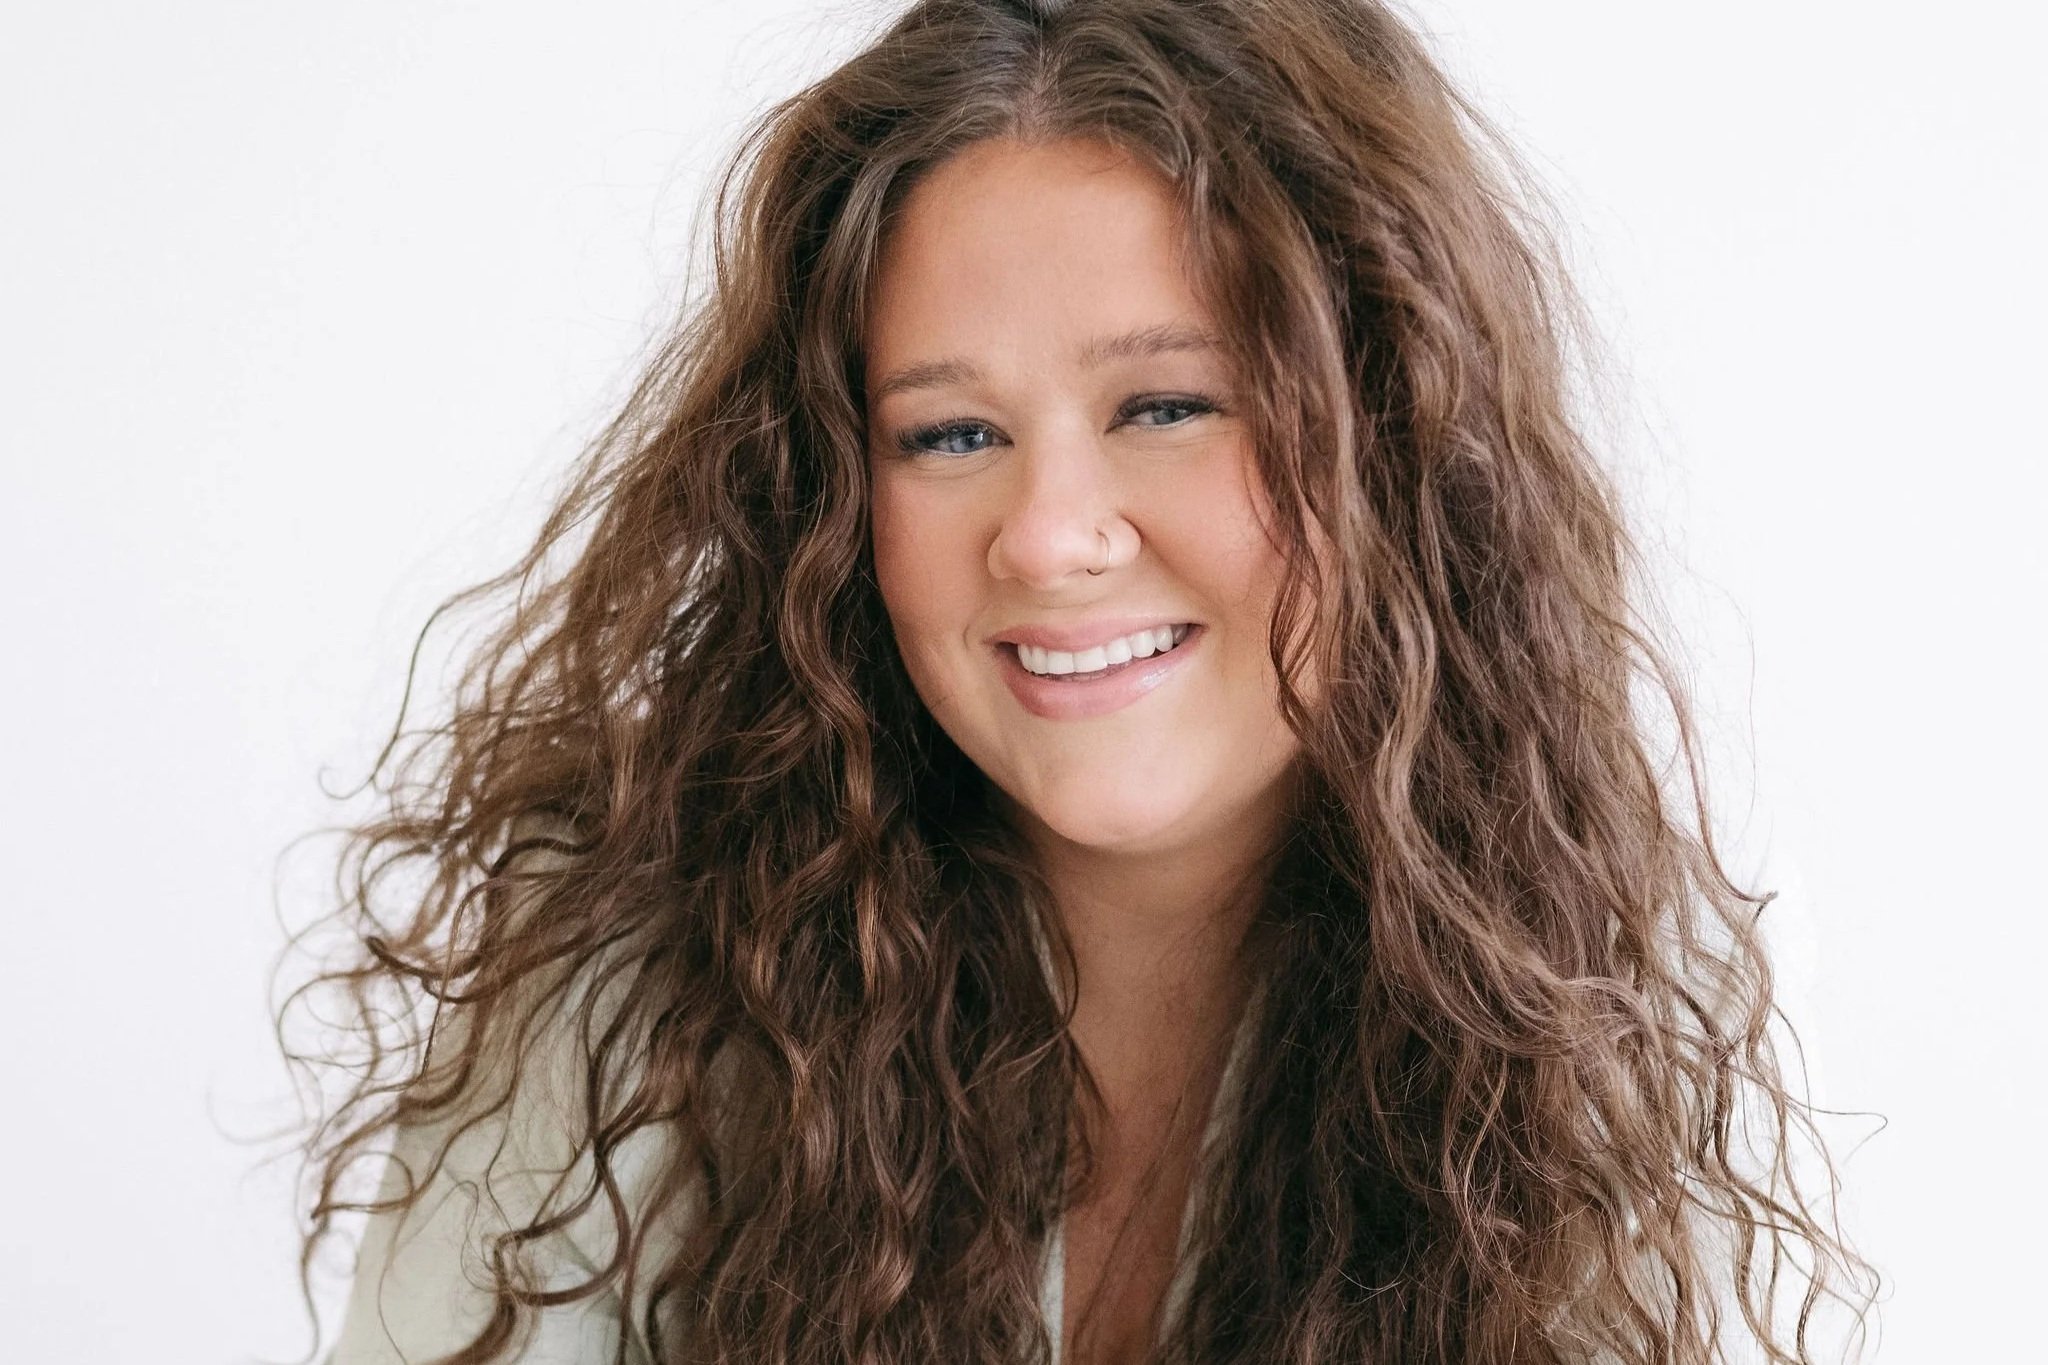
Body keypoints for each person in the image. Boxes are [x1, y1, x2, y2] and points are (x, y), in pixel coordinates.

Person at [282, 1, 1877, 1362]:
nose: (1047, 537)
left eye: (1168, 405)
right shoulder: (625, 975)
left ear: (1394, 428)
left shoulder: (1637, 1000)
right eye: (948, 435)